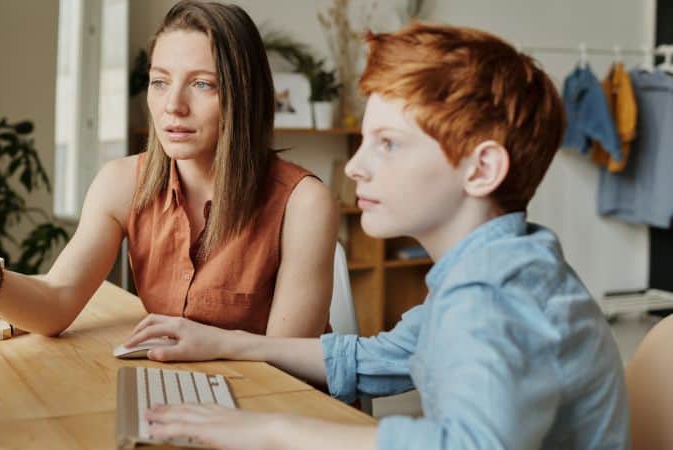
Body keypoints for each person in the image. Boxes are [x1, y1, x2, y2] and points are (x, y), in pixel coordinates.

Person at [121, 23, 630, 449]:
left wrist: (275, 429)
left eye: (387, 144)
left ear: (482, 169)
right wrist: (224, 342)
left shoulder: (492, 295)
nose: (357, 168)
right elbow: (370, 358)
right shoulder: (499, 266)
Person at [0, 0, 338, 338]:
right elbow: (56, 303)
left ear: (245, 97)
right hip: (181, 396)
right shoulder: (122, 183)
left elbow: (287, 365)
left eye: (203, 84)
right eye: (160, 81)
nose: (173, 106)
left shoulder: (304, 203)